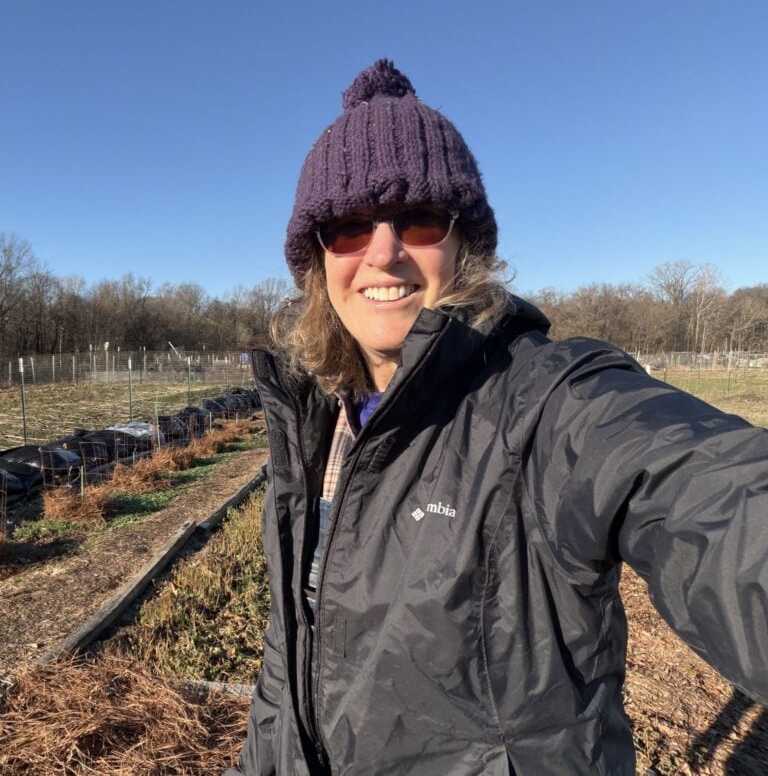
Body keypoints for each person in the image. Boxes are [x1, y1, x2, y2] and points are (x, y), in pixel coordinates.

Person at [227, 59, 767, 775]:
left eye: (418, 218)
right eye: (350, 227)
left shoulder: (547, 403)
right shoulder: (314, 423)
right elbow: (286, 660)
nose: (384, 251)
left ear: (464, 244)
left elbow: (711, 495)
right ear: (318, 259)